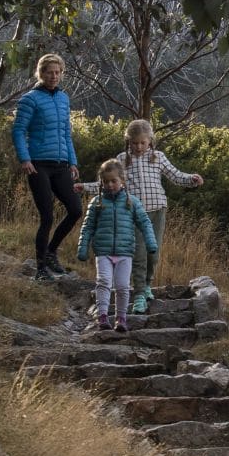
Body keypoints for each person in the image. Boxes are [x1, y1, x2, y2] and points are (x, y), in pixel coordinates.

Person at [76, 119, 202, 313]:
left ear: (150, 141)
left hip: (157, 211)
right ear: (129, 141)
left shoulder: (158, 157)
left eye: (143, 143)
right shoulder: (122, 159)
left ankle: (147, 284)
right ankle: (140, 294)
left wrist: (192, 179)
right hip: (133, 212)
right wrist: (84, 187)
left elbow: (176, 175)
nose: (139, 146)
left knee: (154, 254)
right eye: (135, 143)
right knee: (139, 255)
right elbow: (107, 182)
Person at [11, 53, 80, 280]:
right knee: (47, 217)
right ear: (40, 73)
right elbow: (19, 131)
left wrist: (73, 161)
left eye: (58, 72)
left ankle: (51, 252)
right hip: (38, 164)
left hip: (61, 164)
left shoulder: (63, 99)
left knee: (75, 209)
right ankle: (41, 269)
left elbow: (65, 133)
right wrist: (25, 159)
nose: (54, 76)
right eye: (49, 72)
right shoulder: (29, 99)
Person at [76, 160, 157, 332]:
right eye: (106, 181)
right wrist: (83, 247)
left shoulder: (132, 202)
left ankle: (121, 319)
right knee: (104, 281)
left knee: (122, 286)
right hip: (103, 251)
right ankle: (103, 317)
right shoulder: (97, 202)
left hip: (125, 252)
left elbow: (145, 223)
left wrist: (151, 243)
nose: (110, 185)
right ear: (102, 182)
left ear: (122, 180)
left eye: (114, 181)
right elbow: (88, 226)